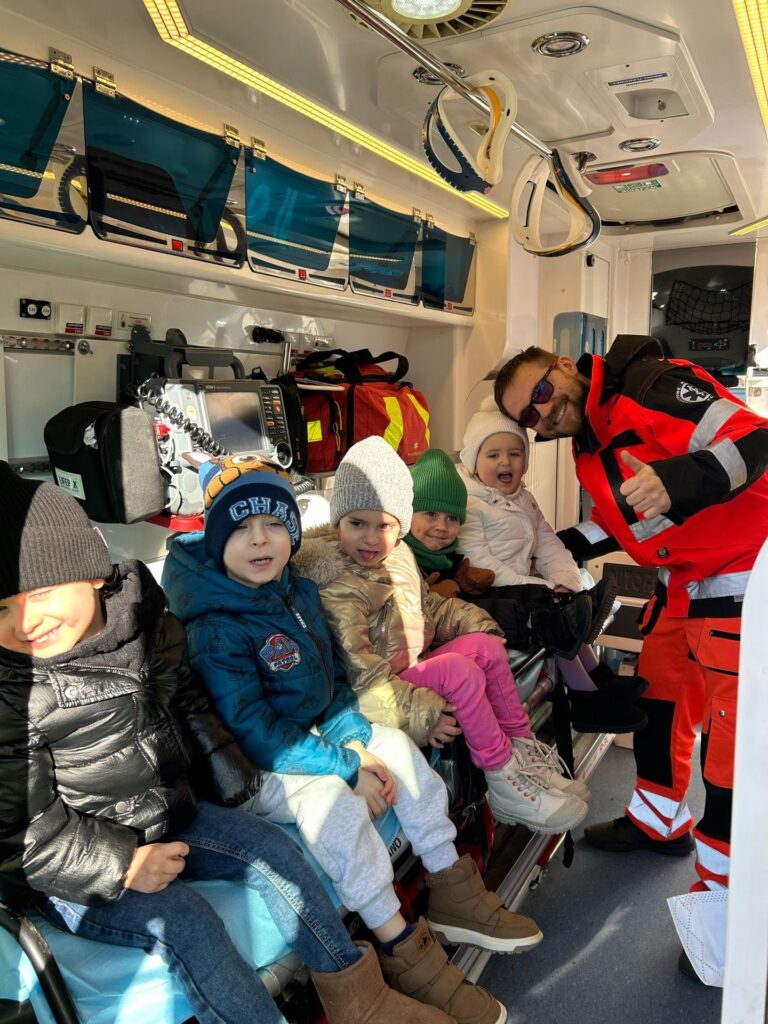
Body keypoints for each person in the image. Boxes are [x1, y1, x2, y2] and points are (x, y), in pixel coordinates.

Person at [0, 462, 453, 1024]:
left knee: (274, 853)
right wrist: (121, 866)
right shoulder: (15, 691)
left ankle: (362, 999)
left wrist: (239, 788)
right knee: (187, 923)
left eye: (40, 592)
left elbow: (191, 709)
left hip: (166, 814)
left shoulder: (143, 620)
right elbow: (21, 833)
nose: (25, 621)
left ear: (91, 572)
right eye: (1, 608)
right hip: (70, 869)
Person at [162, 454, 542, 1024]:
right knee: (334, 809)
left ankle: (452, 888)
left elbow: (333, 684)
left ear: (293, 535)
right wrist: (343, 767)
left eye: (273, 524)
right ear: (217, 543)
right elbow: (254, 734)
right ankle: (402, 945)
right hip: (256, 767)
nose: (260, 540)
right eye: (241, 530)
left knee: (401, 754)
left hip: (314, 737)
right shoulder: (215, 627)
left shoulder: (297, 595)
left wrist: (357, 741)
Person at [494, 335, 768, 982]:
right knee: (658, 702)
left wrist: (675, 480)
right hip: (686, 586)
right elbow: (622, 525)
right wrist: (543, 551)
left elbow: (758, 438)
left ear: (564, 365)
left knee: (730, 758)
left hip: (743, 577)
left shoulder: (651, 388)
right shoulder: (590, 443)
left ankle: (730, 920)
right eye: (529, 415)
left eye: (541, 392)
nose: (542, 413)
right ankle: (659, 820)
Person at [292, 436, 589, 836]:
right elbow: (363, 678)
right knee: (457, 670)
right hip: (378, 692)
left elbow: (430, 605)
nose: (371, 538)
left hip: (406, 668)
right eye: (357, 524)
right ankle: (503, 776)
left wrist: (477, 623)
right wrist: (423, 712)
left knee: (485, 647)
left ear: (400, 525)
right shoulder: (337, 585)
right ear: (337, 522)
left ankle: (522, 753)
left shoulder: (398, 556)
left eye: (384, 525)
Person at [453, 403, 648, 734]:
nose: (505, 462)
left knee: (566, 605)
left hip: (520, 591)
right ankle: (585, 699)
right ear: (474, 461)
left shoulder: (523, 500)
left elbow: (548, 545)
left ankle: (599, 680)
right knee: (555, 619)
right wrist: (540, 587)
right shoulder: (470, 504)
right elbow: (480, 563)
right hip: (488, 595)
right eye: (493, 455)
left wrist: (566, 582)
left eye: (515, 454)